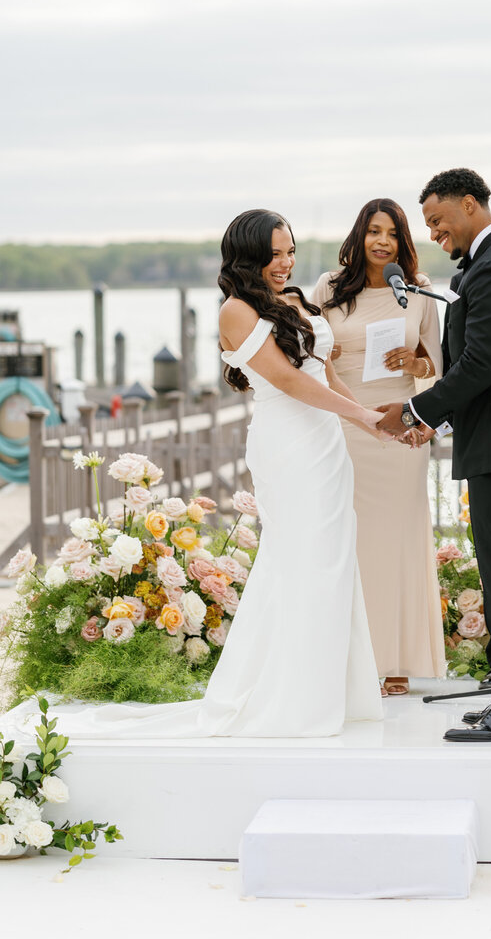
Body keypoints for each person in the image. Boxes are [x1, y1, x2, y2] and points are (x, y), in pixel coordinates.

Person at [40, 209, 385, 739]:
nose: (285, 262)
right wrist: (360, 415)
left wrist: (375, 419)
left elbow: (325, 372)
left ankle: (334, 689)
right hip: (288, 446)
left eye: (290, 250)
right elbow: (290, 382)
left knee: (333, 559)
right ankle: (290, 697)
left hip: (326, 445)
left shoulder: (295, 299)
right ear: (247, 256)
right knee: (301, 560)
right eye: (274, 254)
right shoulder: (236, 311)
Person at [377, 169, 491, 742]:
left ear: (468, 205)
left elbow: (481, 364)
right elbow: (481, 364)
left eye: (437, 219)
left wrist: (416, 412)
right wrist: (436, 415)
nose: (434, 231)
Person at [312, 198, 446, 694]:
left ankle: (394, 660)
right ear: (359, 235)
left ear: (403, 241)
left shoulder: (419, 291)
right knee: (348, 543)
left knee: (397, 544)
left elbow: (439, 364)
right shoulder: (328, 287)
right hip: (344, 425)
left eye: (391, 232)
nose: (381, 241)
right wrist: (329, 351)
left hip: (398, 429)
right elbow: (304, 351)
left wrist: (415, 366)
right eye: (373, 230)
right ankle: (344, 657)